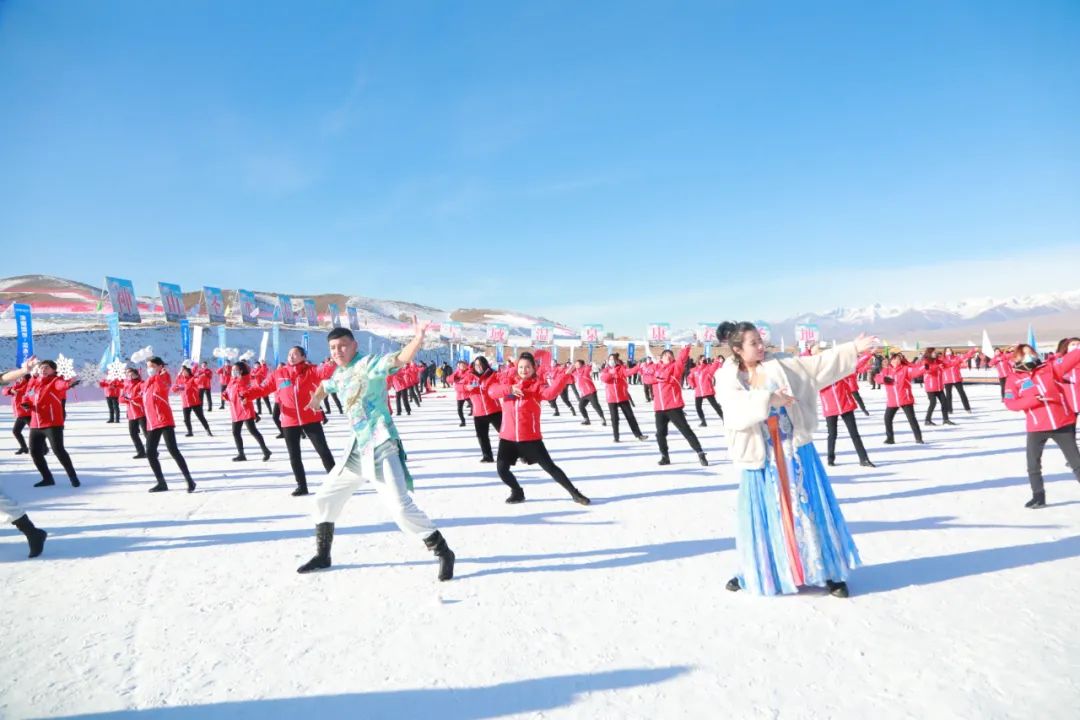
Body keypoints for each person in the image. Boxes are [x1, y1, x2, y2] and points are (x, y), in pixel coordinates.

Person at [716, 321, 878, 598]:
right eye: (753, 343)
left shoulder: (780, 364)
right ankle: (761, 571)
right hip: (761, 455)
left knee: (809, 508)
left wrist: (852, 348)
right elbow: (733, 410)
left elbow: (816, 367)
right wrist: (769, 399)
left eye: (760, 340)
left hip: (794, 450)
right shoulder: (727, 377)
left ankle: (828, 571)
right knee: (768, 516)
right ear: (738, 349)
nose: (761, 346)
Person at [296, 320, 455, 581]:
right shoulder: (339, 373)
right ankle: (323, 555)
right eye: (333, 348)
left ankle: (442, 550)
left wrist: (417, 339)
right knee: (324, 499)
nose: (337, 351)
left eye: (342, 346)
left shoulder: (368, 365)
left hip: (381, 444)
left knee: (400, 508)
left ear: (354, 346)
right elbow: (327, 384)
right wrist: (316, 398)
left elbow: (398, 360)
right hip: (357, 449)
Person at [487, 353, 590, 505]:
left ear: (533, 368)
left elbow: (550, 393)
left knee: (550, 468)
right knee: (502, 470)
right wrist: (509, 389)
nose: (524, 370)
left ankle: (574, 493)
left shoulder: (537, 386)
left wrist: (564, 376)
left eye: (527, 367)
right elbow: (491, 391)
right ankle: (517, 492)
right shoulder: (508, 382)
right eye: (521, 367)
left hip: (530, 438)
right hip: (508, 437)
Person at [1003, 343, 1080, 508]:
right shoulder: (1014, 378)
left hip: (1062, 424)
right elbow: (1010, 403)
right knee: (1033, 465)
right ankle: (1038, 496)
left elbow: (1072, 358)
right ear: (1017, 358)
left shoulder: (1049, 368)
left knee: (1076, 462)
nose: (1030, 356)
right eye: (1025, 353)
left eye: (1031, 352)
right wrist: (1032, 400)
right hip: (1037, 427)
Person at [261, 346, 336, 495]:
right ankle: (302, 486)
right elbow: (263, 388)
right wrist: (246, 395)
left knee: (323, 451)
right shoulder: (279, 373)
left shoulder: (311, 370)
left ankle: (336, 482)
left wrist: (332, 363)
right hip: (289, 420)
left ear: (303, 357)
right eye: (289, 354)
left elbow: (324, 372)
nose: (291, 356)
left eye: (295, 354)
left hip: (310, 416)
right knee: (294, 455)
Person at [19, 359, 81, 488]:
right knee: (35, 452)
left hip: (52, 423)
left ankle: (73, 477)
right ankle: (47, 478)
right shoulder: (34, 382)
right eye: (42, 367)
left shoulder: (55, 381)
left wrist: (69, 384)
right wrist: (26, 403)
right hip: (36, 424)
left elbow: (61, 385)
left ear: (53, 370)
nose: (43, 369)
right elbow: (28, 395)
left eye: (47, 367)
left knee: (59, 450)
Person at [143, 357, 196, 493]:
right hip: (152, 421)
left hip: (164, 419)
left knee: (173, 450)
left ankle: (189, 480)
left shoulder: (164, 378)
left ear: (160, 366)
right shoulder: (147, 382)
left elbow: (162, 387)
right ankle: (161, 483)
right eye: (148, 366)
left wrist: (160, 374)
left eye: (152, 366)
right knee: (150, 452)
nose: (149, 369)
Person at [814, 347, 874, 467]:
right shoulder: (818, 377)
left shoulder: (841, 372)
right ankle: (830, 458)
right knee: (832, 434)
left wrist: (868, 354)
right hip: (830, 408)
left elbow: (856, 365)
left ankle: (864, 459)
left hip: (845, 405)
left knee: (854, 434)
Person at [651, 345, 707, 466]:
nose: (668, 357)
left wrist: (685, 349)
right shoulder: (655, 368)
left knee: (685, 430)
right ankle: (665, 456)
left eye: (670, 355)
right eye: (666, 355)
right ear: (661, 358)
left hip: (673, 406)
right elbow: (647, 378)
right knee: (660, 434)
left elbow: (681, 360)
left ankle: (700, 452)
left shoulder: (675, 367)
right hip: (659, 408)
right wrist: (656, 377)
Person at [223, 361, 272, 462]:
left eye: (235, 370)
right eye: (232, 370)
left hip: (245, 409)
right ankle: (241, 454)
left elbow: (247, 390)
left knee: (253, 431)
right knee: (235, 432)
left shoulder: (245, 379)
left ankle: (265, 450)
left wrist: (240, 384)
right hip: (235, 409)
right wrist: (225, 395)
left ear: (241, 370)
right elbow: (229, 391)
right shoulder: (232, 380)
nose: (233, 371)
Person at [874, 353, 926, 445]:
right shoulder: (887, 370)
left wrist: (924, 367)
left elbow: (916, 371)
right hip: (892, 400)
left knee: (912, 419)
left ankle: (918, 438)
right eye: (894, 359)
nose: (896, 361)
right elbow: (877, 378)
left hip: (905, 399)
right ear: (891, 360)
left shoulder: (905, 369)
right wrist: (884, 379)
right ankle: (890, 438)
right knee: (887, 418)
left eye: (898, 359)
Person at [600, 354, 649, 443]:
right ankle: (616, 437)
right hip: (611, 398)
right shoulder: (605, 370)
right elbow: (604, 379)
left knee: (630, 417)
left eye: (613, 359)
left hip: (623, 397)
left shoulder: (621, 368)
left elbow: (628, 372)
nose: (611, 361)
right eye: (610, 359)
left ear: (616, 360)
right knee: (614, 418)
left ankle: (639, 435)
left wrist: (638, 366)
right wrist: (611, 373)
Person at [464, 357, 503, 462]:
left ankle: (519, 453)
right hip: (479, 412)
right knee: (482, 436)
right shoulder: (470, 376)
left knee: (505, 433)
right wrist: (466, 387)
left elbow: (502, 382)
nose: (479, 367)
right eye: (476, 365)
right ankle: (487, 456)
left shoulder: (493, 374)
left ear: (485, 364)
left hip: (494, 410)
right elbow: (459, 386)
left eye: (481, 364)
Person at [172, 366, 213, 437]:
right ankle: (190, 432)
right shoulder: (180, 380)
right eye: (182, 371)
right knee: (186, 419)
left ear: (188, 372)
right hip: (185, 402)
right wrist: (176, 388)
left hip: (195, 402)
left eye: (185, 371)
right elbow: (174, 388)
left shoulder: (193, 379)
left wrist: (201, 375)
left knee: (201, 417)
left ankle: (208, 430)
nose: (184, 373)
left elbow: (198, 381)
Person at [119, 366, 148, 458]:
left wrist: (132, 399)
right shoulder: (126, 386)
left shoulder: (141, 384)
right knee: (133, 433)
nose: (130, 376)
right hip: (131, 413)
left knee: (146, 433)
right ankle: (141, 452)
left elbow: (143, 395)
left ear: (136, 374)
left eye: (131, 374)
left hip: (141, 412)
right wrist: (127, 399)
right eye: (128, 374)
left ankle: (152, 450)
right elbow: (121, 399)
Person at [688, 356, 724, 427]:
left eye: (704, 360)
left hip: (707, 390)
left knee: (715, 406)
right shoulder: (694, 370)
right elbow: (689, 377)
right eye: (702, 359)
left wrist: (716, 361)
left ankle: (725, 419)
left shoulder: (708, 368)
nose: (703, 361)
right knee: (698, 407)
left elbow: (714, 367)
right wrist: (692, 384)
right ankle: (703, 422)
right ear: (698, 360)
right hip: (698, 391)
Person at [921, 349, 952, 426]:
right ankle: (927, 420)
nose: (935, 353)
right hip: (930, 387)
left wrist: (959, 361)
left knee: (944, 402)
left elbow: (949, 364)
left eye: (935, 352)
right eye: (933, 352)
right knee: (933, 403)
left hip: (939, 387)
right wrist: (937, 366)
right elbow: (928, 370)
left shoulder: (939, 361)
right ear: (929, 353)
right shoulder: (925, 362)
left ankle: (946, 419)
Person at [571, 359, 606, 426]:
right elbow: (568, 372)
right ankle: (586, 419)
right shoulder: (575, 372)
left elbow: (588, 368)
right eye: (576, 364)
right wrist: (572, 366)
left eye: (578, 364)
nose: (576, 365)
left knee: (595, 406)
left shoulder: (585, 370)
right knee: (581, 406)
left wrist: (588, 365)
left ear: (582, 365)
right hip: (584, 394)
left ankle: (602, 419)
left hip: (591, 391)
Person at [942, 348, 977, 413]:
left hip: (956, 378)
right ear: (944, 352)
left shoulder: (956, 358)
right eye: (947, 351)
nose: (948, 352)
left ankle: (967, 408)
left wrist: (973, 350)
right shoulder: (942, 359)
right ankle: (949, 409)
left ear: (952, 351)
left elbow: (965, 356)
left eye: (949, 350)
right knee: (948, 395)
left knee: (962, 393)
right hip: (947, 379)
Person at [3, 375, 32, 454]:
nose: (19, 378)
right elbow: (4, 391)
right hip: (20, 414)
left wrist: (14, 390)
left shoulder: (29, 384)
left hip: (28, 414)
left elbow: (24, 392)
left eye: (21, 377)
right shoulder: (16, 385)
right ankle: (24, 447)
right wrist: (10, 390)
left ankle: (44, 447)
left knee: (36, 432)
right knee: (16, 431)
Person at [448, 360, 473, 427]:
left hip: (467, 394)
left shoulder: (469, 372)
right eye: (461, 365)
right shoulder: (457, 372)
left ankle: (476, 417)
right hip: (459, 395)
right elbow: (449, 379)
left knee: (473, 406)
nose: (462, 366)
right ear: (458, 366)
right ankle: (463, 421)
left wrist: (460, 382)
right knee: (459, 409)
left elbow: (469, 382)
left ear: (466, 366)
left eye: (464, 365)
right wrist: (453, 378)